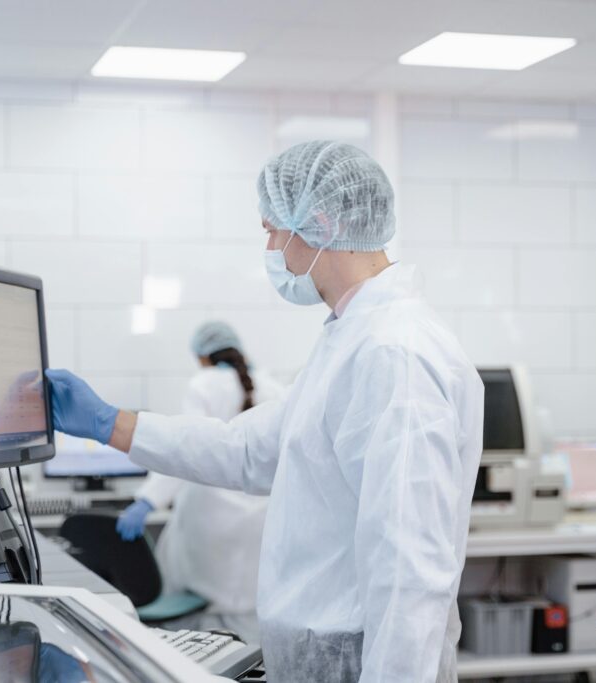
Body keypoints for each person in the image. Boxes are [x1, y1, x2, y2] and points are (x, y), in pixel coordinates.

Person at [46, 140, 483, 682]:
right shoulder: (352, 340)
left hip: (361, 663)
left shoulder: (393, 354)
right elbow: (249, 450)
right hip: (325, 657)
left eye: (273, 230)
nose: (273, 247)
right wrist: (112, 423)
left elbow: (410, 570)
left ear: (319, 223)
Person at [114, 320, 285, 642]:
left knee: (199, 614)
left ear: (203, 356)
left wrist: (147, 500)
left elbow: (185, 449)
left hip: (209, 518)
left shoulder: (203, 384)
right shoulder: (271, 386)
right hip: (259, 520)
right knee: (248, 610)